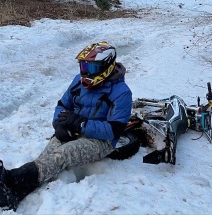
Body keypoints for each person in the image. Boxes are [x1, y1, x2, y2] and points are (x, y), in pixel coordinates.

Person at [0, 41, 132, 211]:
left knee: (63, 155)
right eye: (83, 66)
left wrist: (81, 124)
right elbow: (62, 105)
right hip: (74, 128)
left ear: (105, 66)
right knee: (46, 155)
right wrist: (59, 125)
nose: (85, 71)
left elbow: (114, 130)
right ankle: (16, 192)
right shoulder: (78, 81)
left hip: (101, 140)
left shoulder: (121, 92)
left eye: (90, 67)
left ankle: (11, 178)